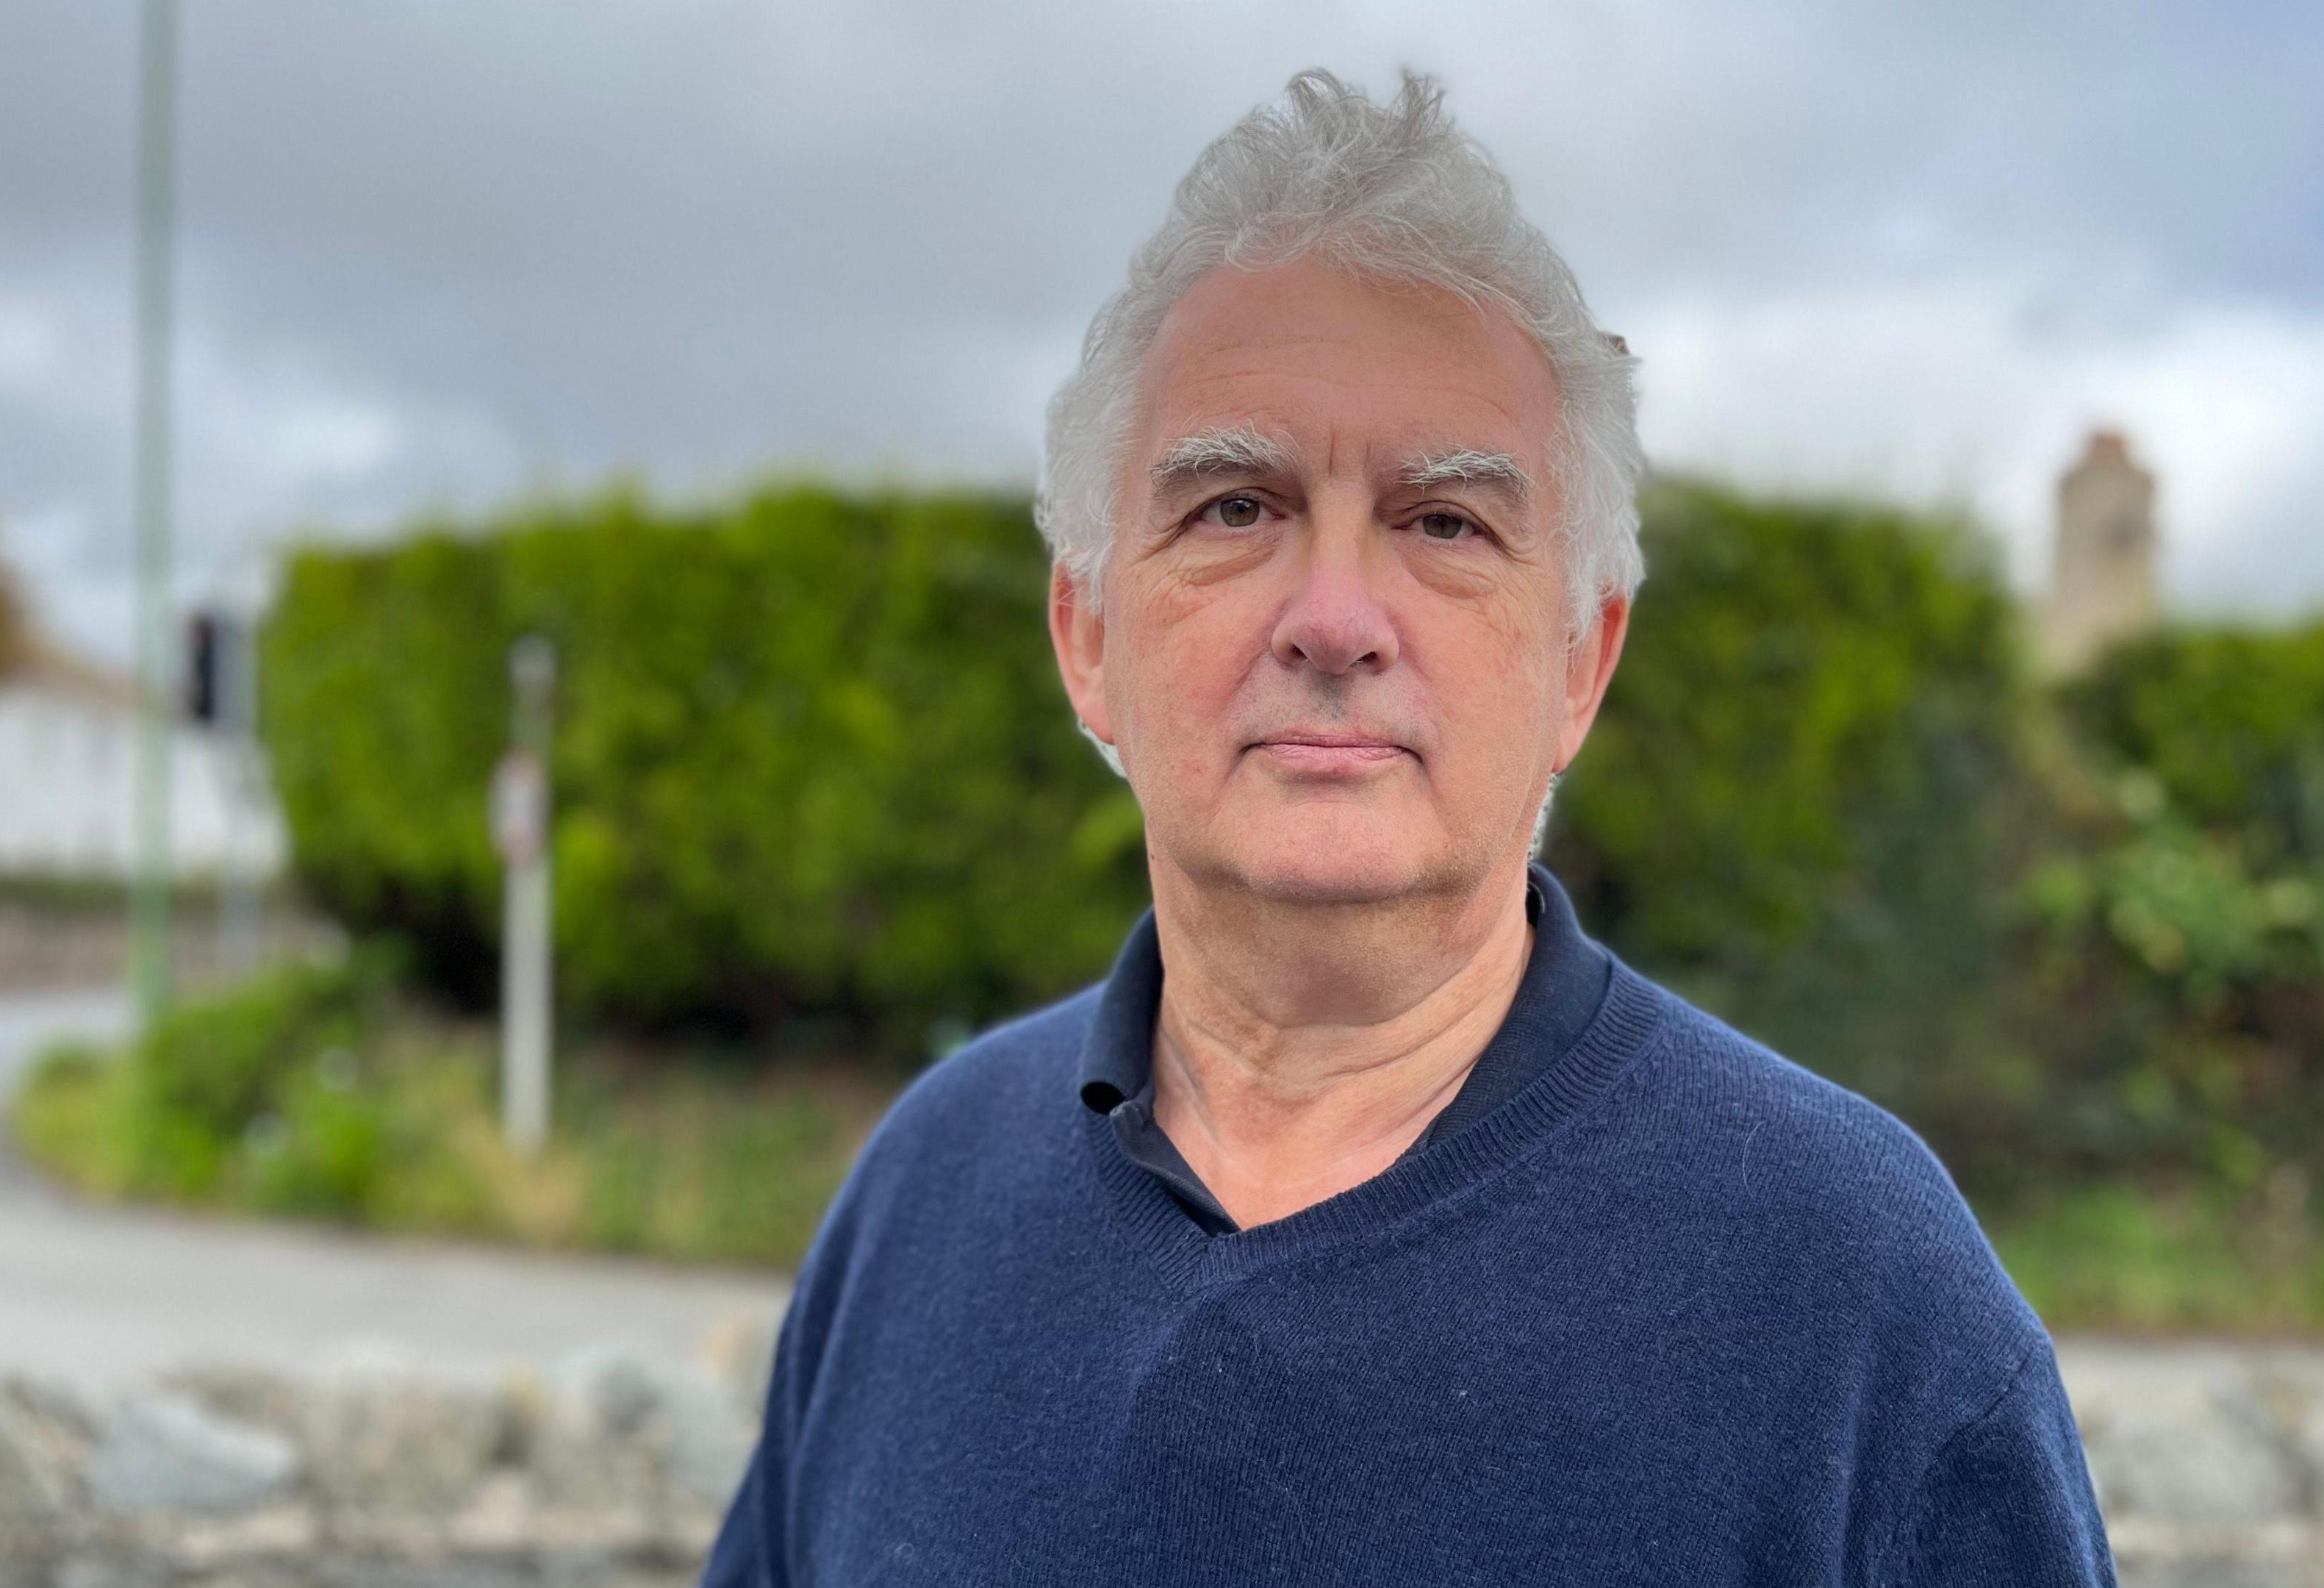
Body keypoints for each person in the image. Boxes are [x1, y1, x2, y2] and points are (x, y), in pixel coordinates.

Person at [703, 68, 2115, 1587]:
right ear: (1086, 633)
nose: (1334, 619)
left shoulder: (1857, 1291)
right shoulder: (924, 1193)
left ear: (1582, 658)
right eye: (1235, 506)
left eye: (1445, 523)